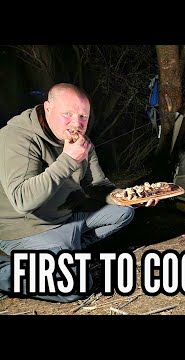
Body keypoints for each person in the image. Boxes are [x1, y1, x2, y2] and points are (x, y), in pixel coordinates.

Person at [0, 83, 161, 302]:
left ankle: (64, 252)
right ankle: (7, 269)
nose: (76, 124)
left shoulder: (82, 143)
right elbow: (22, 200)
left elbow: (97, 185)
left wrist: (129, 197)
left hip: (64, 219)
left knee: (123, 213)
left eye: (83, 116)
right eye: (67, 114)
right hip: (26, 229)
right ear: (47, 108)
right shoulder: (18, 138)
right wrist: (68, 160)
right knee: (74, 287)